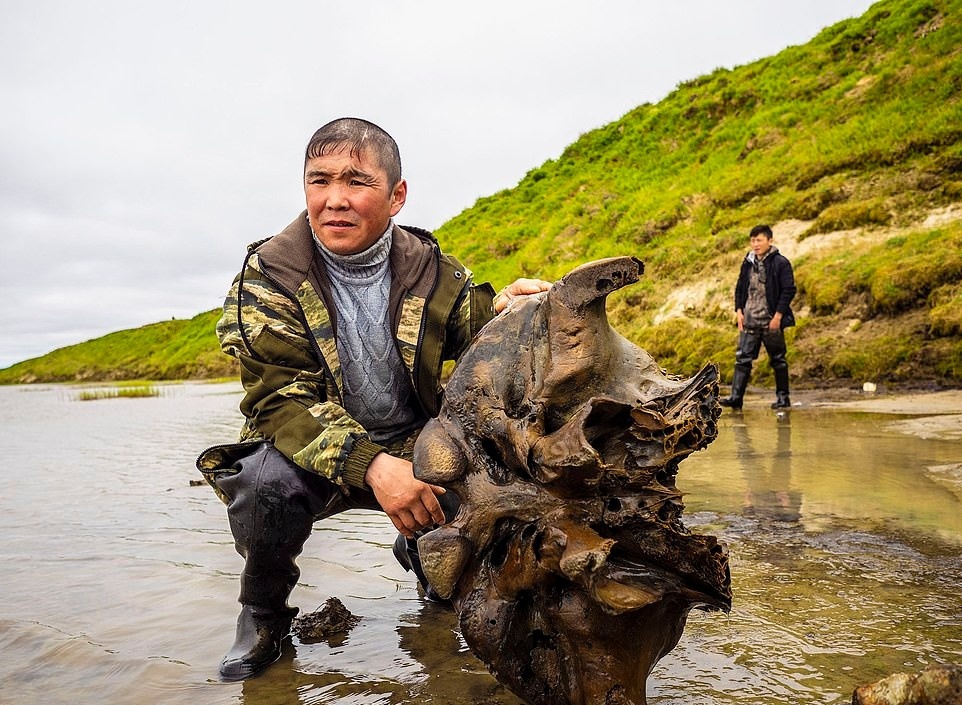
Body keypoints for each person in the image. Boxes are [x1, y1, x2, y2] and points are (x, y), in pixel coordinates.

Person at [196, 117, 551, 682]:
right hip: (306, 447)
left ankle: (430, 561)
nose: (334, 199)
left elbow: (479, 339)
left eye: (356, 181)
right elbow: (280, 401)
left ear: (396, 197)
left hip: (416, 442)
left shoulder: (433, 270)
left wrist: (515, 310)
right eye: (319, 181)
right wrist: (374, 466)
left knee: (499, 483)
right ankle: (262, 615)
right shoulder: (268, 277)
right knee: (264, 487)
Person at [719, 224, 796, 410]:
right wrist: (739, 312)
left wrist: (778, 316)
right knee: (742, 359)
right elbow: (740, 288)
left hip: (771, 320)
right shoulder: (747, 262)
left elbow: (789, 290)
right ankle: (736, 397)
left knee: (778, 360)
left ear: (770, 241)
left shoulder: (781, 263)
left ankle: (783, 398)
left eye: (759, 240)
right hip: (750, 320)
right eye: (753, 240)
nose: (755, 244)